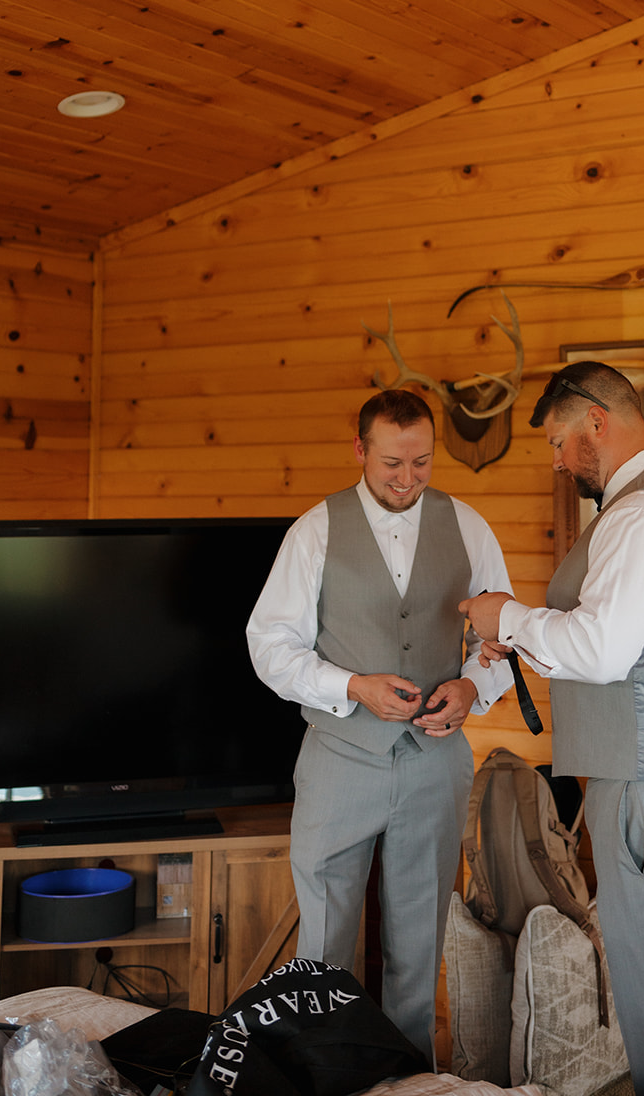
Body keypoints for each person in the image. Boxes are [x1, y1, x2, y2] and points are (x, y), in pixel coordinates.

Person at [460, 361, 644, 1096]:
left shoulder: (642, 512)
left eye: (559, 442)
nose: (558, 462)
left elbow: (600, 650)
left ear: (596, 421)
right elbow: (626, 642)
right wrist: (521, 638)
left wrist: (506, 616)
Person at [248, 388, 513, 1065]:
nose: (406, 478)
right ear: (360, 450)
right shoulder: (315, 530)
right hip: (339, 757)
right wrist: (352, 686)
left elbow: (501, 642)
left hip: (435, 763)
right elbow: (269, 646)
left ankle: (407, 1076)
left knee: (419, 943)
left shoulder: (469, 527)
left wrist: (470, 687)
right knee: (324, 942)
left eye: (421, 463)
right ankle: (320, 1073)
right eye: (392, 462)